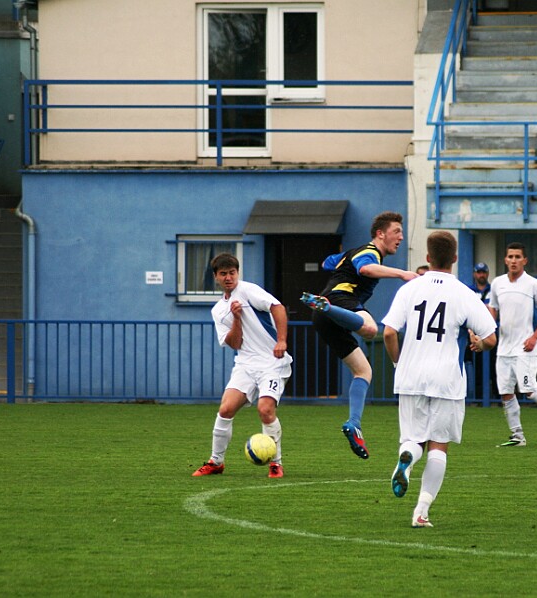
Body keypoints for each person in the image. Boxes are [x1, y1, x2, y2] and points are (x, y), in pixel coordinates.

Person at [382, 231, 497, 528]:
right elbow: (491, 337)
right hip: (447, 379)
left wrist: (398, 362)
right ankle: (421, 512)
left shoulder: (409, 290)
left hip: (410, 376)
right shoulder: (464, 294)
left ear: (428, 257)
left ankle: (406, 456)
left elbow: (389, 333)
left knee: (413, 438)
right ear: (456, 259)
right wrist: (478, 344)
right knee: (439, 446)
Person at [301, 211, 418, 459]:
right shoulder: (371, 252)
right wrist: (401, 273)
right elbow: (365, 268)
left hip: (325, 316)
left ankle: (353, 423)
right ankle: (326, 306)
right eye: (396, 232)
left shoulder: (352, 252)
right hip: (339, 300)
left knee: (364, 371)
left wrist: (339, 260)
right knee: (371, 328)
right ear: (380, 234)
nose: (401, 237)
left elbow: (327, 262)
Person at [192, 253, 292, 479]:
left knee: (265, 410)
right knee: (225, 410)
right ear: (216, 277)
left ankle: (276, 464)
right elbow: (234, 343)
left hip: (271, 363)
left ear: (237, 273)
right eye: (223, 274)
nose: (228, 277)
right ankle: (216, 462)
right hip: (245, 364)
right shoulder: (218, 310)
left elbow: (278, 307)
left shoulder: (248, 290)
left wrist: (282, 340)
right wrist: (237, 318)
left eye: (232, 273)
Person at [488, 242, 537, 447]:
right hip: (504, 347)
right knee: (506, 392)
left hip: (525, 346)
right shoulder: (497, 283)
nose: (513, 260)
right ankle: (517, 436)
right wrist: (485, 331)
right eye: (510, 257)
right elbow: (492, 310)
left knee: (529, 388)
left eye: (517, 257)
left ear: (525, 260)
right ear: (505, 260)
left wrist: (534, 337)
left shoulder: (533, 284)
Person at [466, 262, 495, 399]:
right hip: (473, 334)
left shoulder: (493, 290)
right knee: (476, 366)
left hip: (490, 333)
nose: (481, 275)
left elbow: (494, 311)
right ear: (474, 274)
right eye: (479, 272)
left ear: (487, 273)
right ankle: (477, 397)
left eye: (484, 272)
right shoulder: (468, 290)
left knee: (494, 366)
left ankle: (495, 396)